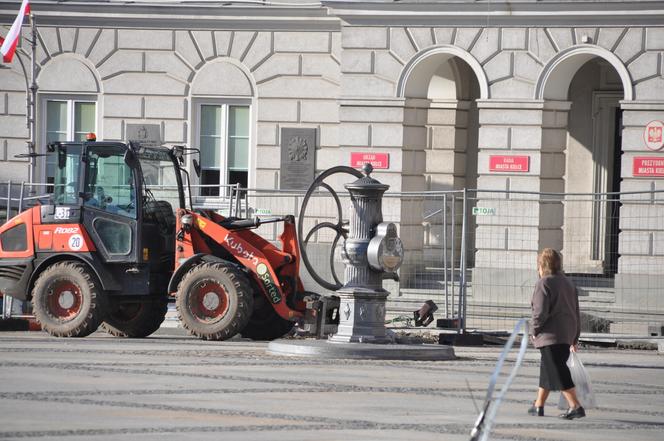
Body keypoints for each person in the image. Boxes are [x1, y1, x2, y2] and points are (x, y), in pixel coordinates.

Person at [528, 248, 585, 420]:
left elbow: (540, 312)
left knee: (558, 370)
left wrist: (533, 330)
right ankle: (539, 405)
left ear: (541, 265)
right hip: (567, 332)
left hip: (550, 335)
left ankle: (575, 406)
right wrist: (575, 337)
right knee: (548, 368)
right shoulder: (568, 282)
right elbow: (576, 310)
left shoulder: (544, 283)